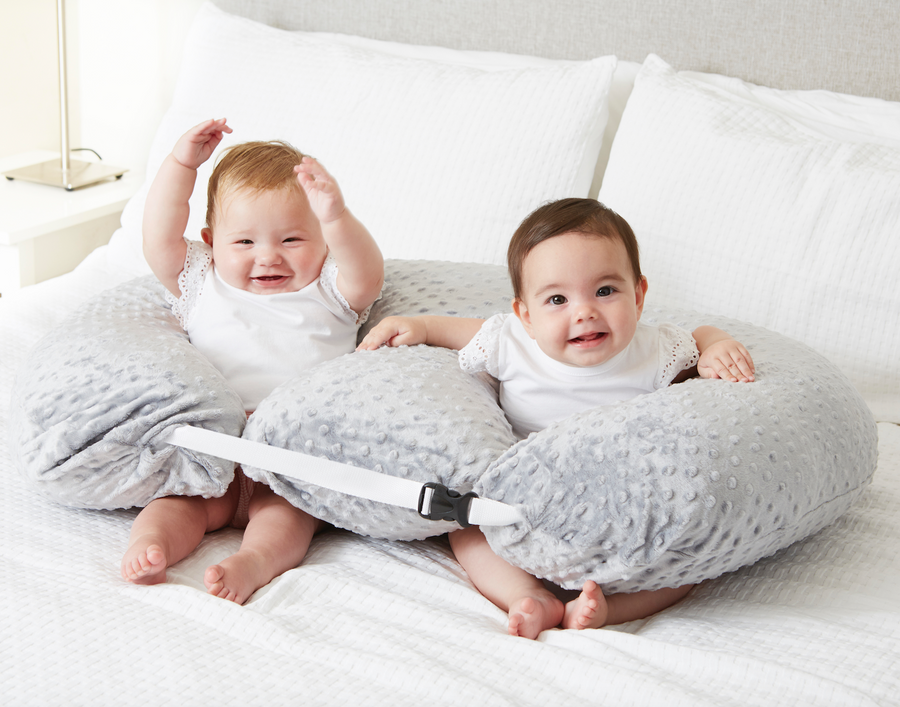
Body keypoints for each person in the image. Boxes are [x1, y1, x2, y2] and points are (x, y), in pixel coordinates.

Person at [359, 197, 754, 638]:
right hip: (524, 501)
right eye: (557, 299)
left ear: (639, 296)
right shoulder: (511, 343)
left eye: (605, 291)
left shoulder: (655, 351)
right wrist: (418, 326)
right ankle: (528, 597)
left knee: (689, 563)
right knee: (465, 528)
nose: (584, 311)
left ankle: (611, 608)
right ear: (525, 316)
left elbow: (700, 339)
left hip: (618, 503)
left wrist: (718, 345)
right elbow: (457, 329)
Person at [121, 118, 384, 604]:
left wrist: (337, 214)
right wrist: (181, 165)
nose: (268, 257)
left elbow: (366, 271)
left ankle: (254, 562)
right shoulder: (201, 281)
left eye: (291, 240)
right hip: (212, 448)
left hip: (289, 456)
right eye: (244, 242)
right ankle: (150, 545)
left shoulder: (330, 291)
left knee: (288, 517)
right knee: (176, 504)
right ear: (210, 241)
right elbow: (159, 237)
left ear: (323, 243)